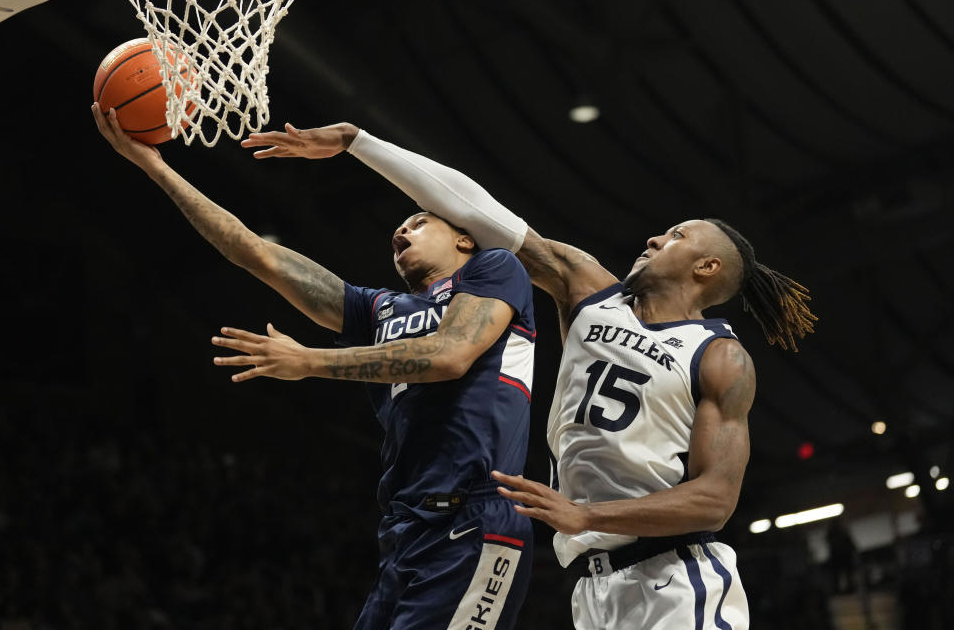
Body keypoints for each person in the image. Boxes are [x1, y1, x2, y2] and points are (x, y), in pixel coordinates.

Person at [239, 121, 817, 629]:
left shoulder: (721, 356)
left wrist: (586, 514)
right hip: (591, 586)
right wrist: (357, 143)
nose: (654, 238)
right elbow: (477, 210)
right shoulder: (591, 293)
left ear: (706, 268)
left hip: (677, 577)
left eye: (675, 237)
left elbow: (715, 501)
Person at [91, 104, 537, 630]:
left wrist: (309, 361)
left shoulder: (493, 269)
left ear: (464, 238)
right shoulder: (377, 310)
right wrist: (156, 168)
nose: (399, 233)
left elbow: (449, 355)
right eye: (398, 229)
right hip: (406, 526)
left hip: (473, 517)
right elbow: (256, 253)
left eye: (418, 221)